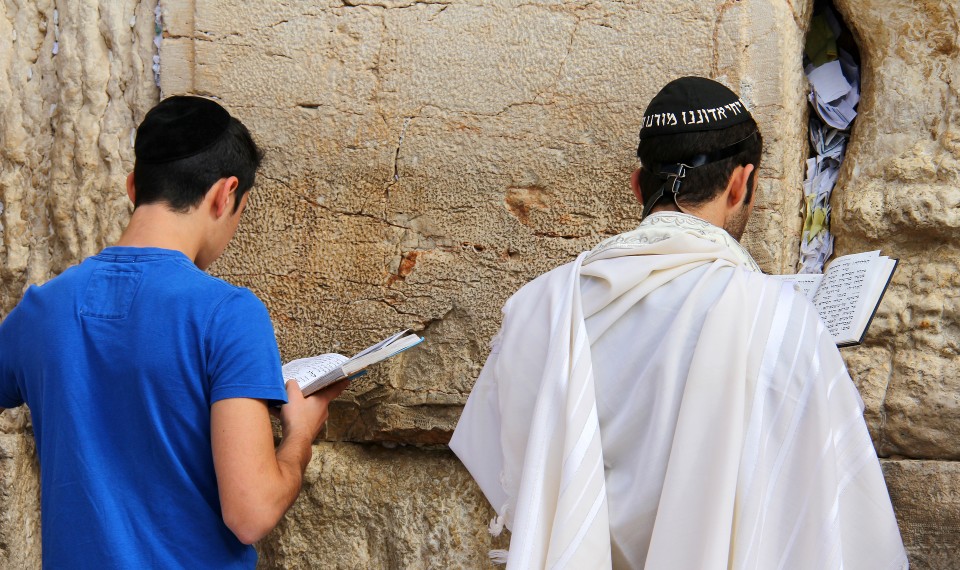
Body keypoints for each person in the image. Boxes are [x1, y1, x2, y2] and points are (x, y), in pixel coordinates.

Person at [450, 76, 908, 569]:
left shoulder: (538, 305)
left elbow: (505, 469)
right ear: (742, 183)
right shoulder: (778, 319)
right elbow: (833, 513)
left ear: (637, 185)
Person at [0, 96, 348, 568]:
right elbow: (251, 513)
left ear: (133, 186)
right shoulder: (228, 315)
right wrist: (299, 435)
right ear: (225, 194)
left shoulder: (42, 309)